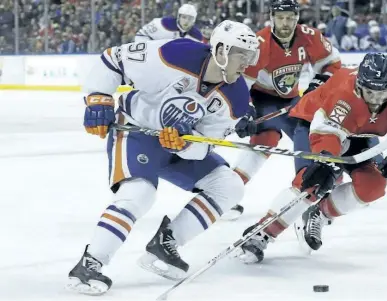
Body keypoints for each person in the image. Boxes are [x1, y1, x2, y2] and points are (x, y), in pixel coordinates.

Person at [66, 20, 260, 295]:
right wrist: (99, 98)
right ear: (221, 50)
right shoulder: (175, 54)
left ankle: (166, 243)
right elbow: (113, 60)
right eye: (242, 54)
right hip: (137, 129)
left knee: (229, 186)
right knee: (139, 194)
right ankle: (90, 263)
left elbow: (204, 145)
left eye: (251, 56)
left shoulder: (237, 97)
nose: (247, 63)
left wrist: (183, 146)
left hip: (174, 145)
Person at [236, 53, 387, 263]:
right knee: (311, 182)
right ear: (360, 84)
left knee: (373, 186)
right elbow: (325, 131)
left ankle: (320, 214)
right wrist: (325, 160)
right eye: (370, 93)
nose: (376, 100)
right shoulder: (344, 91)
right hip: (314, 125)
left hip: (361, 134)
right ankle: (263, 232)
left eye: (383, 93)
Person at [224, 0, 342, 219]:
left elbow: (332, 65)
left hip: (290, 100)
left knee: (310, 135)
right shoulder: (259, 43)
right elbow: (241, 83)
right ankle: (224, 193)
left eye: (290, 17)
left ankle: (317, 185)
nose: (285, 23)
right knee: (266, 140)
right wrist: (246, 110)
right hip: (262, 99)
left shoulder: (309, 36)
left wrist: (318, 83)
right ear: (272, 17)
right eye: (280, 18)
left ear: (297, 18)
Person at [135, 4, 203, 42]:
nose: (186, 21)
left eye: (190, 18)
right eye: (184, 17)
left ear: (194, 20)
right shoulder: (164, 24)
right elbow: (141, 35)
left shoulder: (196, 36)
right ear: (178, 17)